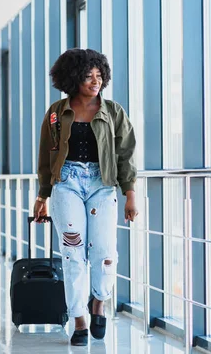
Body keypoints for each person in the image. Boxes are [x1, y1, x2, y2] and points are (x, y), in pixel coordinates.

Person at [33, 48, 138, 346]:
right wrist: (42, 196)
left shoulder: (113, 112)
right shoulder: (56, 112)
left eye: (99, 75)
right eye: (88, 76)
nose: (95, 81)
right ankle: (78, 317)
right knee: (72, 251)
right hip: (66, 183)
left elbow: (126, 155)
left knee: (104, 251)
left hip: (102, 184)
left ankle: (99, 302)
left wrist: (130, 194)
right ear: (72, 79)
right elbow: (45, 156)